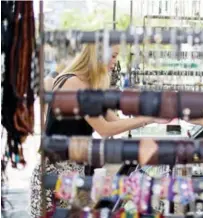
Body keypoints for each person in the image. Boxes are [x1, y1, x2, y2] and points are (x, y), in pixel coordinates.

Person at [29, 44, 164, 217]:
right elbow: (105, 129)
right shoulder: (74, 84)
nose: (115, 63)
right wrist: (148, 118)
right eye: (113, 56)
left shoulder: (87, 86)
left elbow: (116, 122)